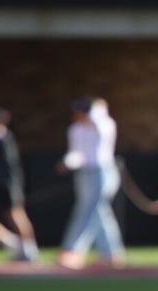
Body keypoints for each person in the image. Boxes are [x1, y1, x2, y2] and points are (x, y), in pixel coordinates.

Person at [56, 97, 125, 270]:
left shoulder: (105, 124)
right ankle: (111, 253)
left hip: (102, 171)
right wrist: (67, 162)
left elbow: (101, 133)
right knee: (99, 211)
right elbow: (76, 153)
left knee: (90, 209)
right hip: (84, 173)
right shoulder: (75, 129)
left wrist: (95, 110)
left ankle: (72, 250)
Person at [0, 107, 37, 262]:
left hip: (8, 184)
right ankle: (12, 245)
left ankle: (29, 248)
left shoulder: (2, 136)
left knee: (15, 214)